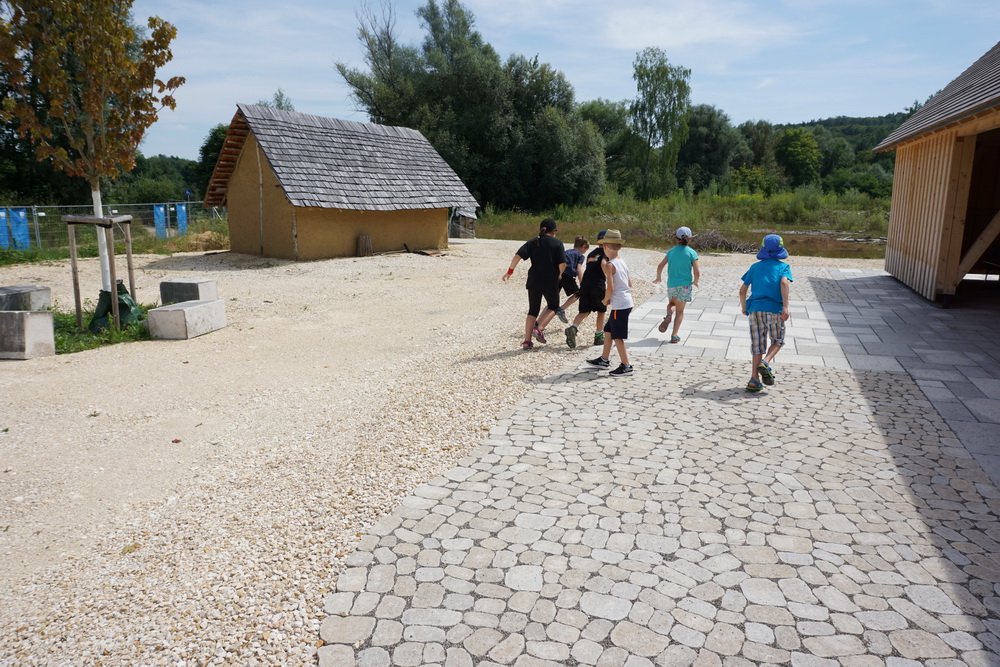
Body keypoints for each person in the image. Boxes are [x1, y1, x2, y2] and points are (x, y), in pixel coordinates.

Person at [739, 234, 793, 392]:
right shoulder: (783, 267)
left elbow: (742, 290)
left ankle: (754, 380)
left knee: (757, 345)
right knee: (778, 340)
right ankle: (766, 362)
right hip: (774, 310)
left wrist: (744, 307)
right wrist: (785, 306)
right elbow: (784, 282)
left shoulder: (755, 267)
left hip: (755, 310)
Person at [503, 218, 566, 350]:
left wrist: (509, 272)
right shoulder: (557, 243)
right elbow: (562, 263)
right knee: (554, 306)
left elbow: (517, 256)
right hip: (550, 280)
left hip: (533, 280)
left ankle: (527, 341)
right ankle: (539, 329)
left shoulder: (533, 242)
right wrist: (560, 273)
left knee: (533, 310)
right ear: (554, 231)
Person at [586, 229, 633, 376]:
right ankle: (604, 359)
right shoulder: (622, 262)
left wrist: (606, 299)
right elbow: (629, 283)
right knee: (608, 330)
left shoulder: (610, 265)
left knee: (617, 336)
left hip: (620, 305)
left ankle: (626, 365)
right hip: (626, 301)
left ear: (605, 246)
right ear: (620, 247)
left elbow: (610, 288)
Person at [653, 226, 700, 344]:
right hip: (685, 285)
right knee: (680, 311)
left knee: (671, 304)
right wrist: (695, 281)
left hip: (672, 284)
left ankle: (668, 315)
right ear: (690, 239)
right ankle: (674, 335)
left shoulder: (671, 251)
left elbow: (660, 265)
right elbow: (697, 271)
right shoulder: (692, 253)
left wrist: (658, 277)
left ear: (676, 238)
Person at [565, 230, 608, 349]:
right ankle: (598, 336)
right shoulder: (606, 253)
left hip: (585, 284)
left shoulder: (591, 254)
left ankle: (573, 327)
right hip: (598, 285)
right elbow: (604, 265)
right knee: (601, 310)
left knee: (584, 311)